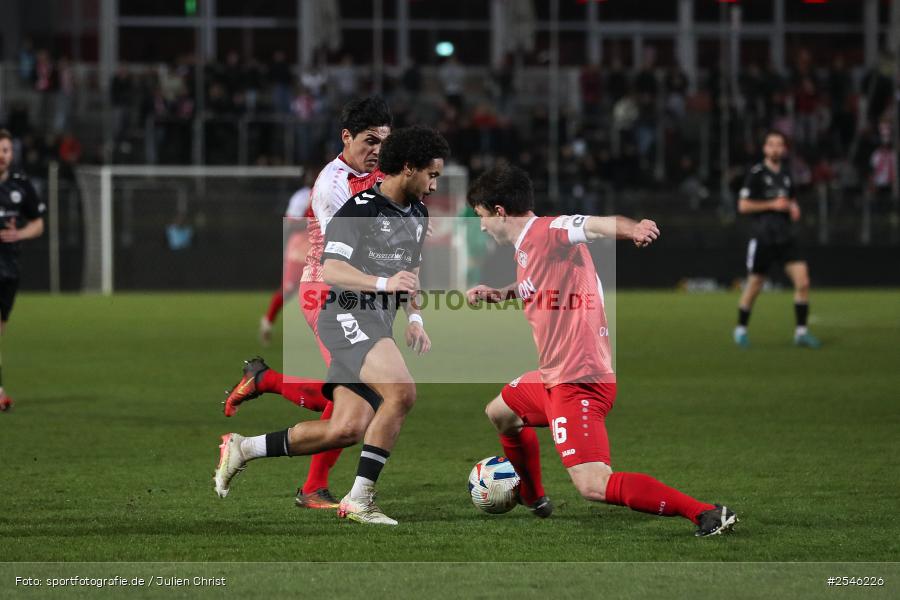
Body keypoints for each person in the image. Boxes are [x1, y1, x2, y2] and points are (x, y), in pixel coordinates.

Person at [465, 164, 737, 537]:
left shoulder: (549, 230)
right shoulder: (529, 246)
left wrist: (634, 229)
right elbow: (538, 283)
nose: (480, 226)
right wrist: (502, 293)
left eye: (480, 217)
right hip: (553, 377)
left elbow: (594, 224)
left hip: (578, 382)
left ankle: (706, 512)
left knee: (592, 483)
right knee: (500, 412)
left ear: (498, 211)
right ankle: (534, 497)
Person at [215, 126, 450, 526]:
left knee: (345, 428)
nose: (433, 185)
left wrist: (414, 317)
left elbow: (411, 269)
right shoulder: (359, 210)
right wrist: (383, 283)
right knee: (402, 392)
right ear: (408, 168)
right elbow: (334, 269)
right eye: (431, 174)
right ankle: (360, 499)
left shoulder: (417, 213)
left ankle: (244, 448)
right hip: (345, 315)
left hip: (377, 319)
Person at [223, 97, 393, 510]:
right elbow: (350, 249)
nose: (377, 151)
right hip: (326, 293)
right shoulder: (332, 184)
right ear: (347, 137)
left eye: (383, 143)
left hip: (361, 295)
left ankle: (265, 382)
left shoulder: (379, 174)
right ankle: (311, 484)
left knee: (354, 400)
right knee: (361, 398)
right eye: (369, 141)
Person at [734, 130, 820, 349]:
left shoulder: (787, 174)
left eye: (779, 145)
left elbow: (790, 200)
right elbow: (743, 206)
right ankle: (741, 330)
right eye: (771, 144)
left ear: (784, 149)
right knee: (755, 284)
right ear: (765, 148)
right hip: (764, 237)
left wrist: (793, 207)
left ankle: (801, 333)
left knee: (803, 282)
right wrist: (771, 204)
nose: (775, 148)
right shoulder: (756, 173)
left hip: (786, 236)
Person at [0, 129, 47, 411]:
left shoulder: (21, 186)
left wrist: (21, 235)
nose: (1, 156)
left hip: (9, 271)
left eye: (5, 150)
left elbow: (38, 224)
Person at [259, 167, 318, 346]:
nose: (313, 177)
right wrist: (311, 221)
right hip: (298, 249)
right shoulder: (301, 197)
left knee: (319, 289)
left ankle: (319, 334)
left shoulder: (326, 192)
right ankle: (268, 321)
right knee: (289, 289)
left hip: (317, 248)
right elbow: (291, 224)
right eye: (311, 175)